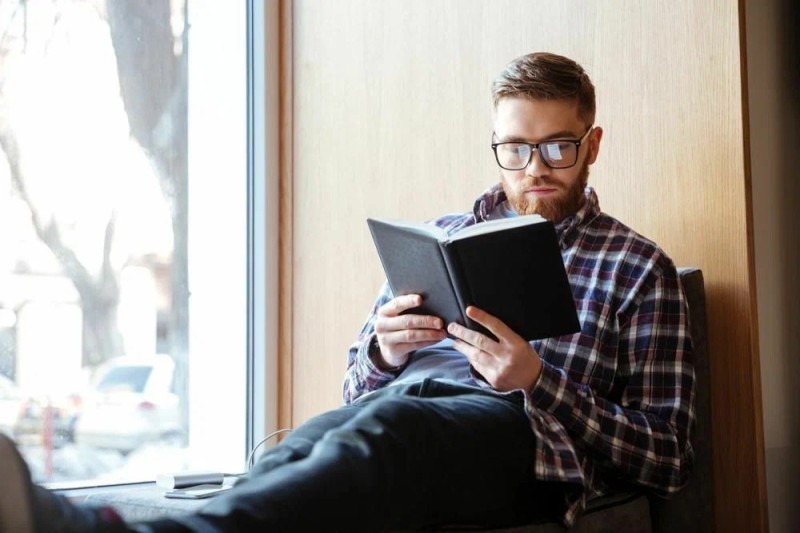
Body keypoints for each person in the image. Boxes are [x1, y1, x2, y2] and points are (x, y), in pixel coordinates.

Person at [0, 51, 695, 533]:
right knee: (297, 448)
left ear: (593, 143)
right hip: (407, 401)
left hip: (526, 439)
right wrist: (385, 353)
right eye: (515, 147)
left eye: (558, 146)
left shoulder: (639, 267)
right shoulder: (443, 238)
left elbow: (667, 456)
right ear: (494, 143)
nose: (535, 167)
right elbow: (358, 387)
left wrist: (540, 381)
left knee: (392, 437)